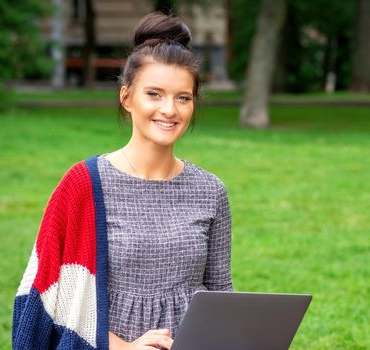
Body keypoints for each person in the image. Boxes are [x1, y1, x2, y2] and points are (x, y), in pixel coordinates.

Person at [12, 13, 232, 350]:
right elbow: (50, 298)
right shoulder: (84, 183)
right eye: (154, 94)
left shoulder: (210, 190)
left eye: (183, 97)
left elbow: (220, 295)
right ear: (127, 97)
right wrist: (125, 348)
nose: (170, 110)